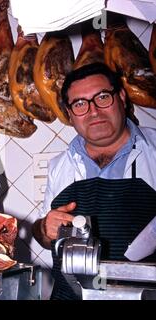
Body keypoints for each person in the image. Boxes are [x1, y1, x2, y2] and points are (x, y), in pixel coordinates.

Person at [32, 62, 156, 299]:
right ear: (69, 114)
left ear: (121, 97)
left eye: (102, 97)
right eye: (80, 104)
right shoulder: (60, 165)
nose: (93, 111)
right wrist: (44, 229)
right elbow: (45, 237)